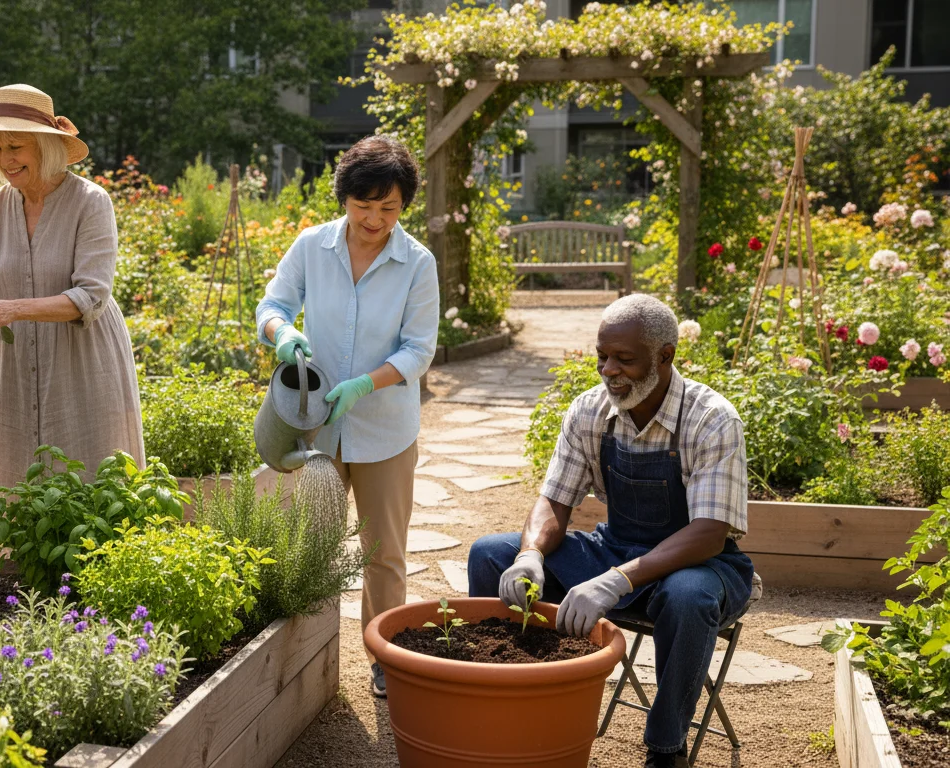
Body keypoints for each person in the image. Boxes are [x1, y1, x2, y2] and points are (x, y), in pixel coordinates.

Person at [467, 294, 755, 768]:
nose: (608, 370)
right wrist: (531, 555)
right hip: (616, 547)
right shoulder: (590, 411)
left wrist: (616, 580)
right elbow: (555, 500)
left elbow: (709, 533)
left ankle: (666, 750)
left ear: (665, 357)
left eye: (624, 359)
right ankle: (503, 710)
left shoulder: (710, 419)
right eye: (602, 356)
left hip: (699, 565)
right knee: (490, 554)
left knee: (688, 598)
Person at [256, 134, 439, 699]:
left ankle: (385, 655)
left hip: (385, 430)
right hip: (317, 427)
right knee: (313, 542)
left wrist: (366, 383)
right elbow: (272, 305)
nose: (375, 219)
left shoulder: (417, 262)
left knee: (384, 552)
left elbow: (419, 349)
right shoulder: (313, 246)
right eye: (365, 206)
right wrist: (282, 333)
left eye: (389, 208)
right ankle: (308, 654)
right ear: (345, 198)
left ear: (403, 207)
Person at [0, 83, 145, 495]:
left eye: (15, 146)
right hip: (18, 359)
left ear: (45, 145)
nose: (5, 160)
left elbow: (91, 296)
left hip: (84, 359)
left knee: (91, 476)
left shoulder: (90, 202)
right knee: (21, 482)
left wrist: (14, 308)